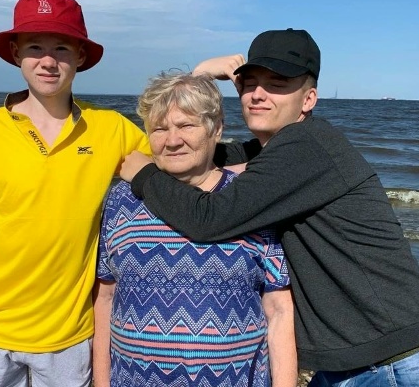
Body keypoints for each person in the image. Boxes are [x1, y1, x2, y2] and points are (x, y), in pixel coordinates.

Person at [120, 29, 419, 387]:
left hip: (391, 361)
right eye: (249, 84)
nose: (258, 94)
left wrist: (144, 175)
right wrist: (198, 77)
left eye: (277, 84)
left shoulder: (307, 145)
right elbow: (197, 150)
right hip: (358, 357)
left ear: (308, 99)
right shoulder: (272, 151)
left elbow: (209, 218)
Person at [0, 0, 150, 387]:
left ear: (81, 56)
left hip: (68, 336)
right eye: (35, 47)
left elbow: (184, 158)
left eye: (62, 48)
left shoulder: (110, 128)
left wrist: (201, 77)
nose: (48, 61)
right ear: (16, 52)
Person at [93, 72, 296, 387]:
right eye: (159, 129)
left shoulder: (248, 199)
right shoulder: (122, 199)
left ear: (217, 129)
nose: (172, 140)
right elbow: (105, 297)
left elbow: (279, 309)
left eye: (186, 125)